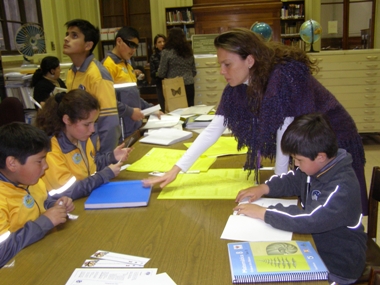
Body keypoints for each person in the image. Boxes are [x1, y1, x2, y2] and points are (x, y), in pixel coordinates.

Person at [144, 28, 368, 215]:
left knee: (335, 211)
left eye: (227, 64)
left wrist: (274, 187)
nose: (222, 71)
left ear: (250, 60)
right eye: (219, 65)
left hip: (334, 139)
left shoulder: (283, 75)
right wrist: (175, 170)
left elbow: (284, 133)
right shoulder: (238, 85)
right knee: (314, 209)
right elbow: (213, 130)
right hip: (306, 144)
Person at [234, 113, 367, 284]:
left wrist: (264, 213)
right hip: (315, 247)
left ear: (320, 156)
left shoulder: (342, 188)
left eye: (299, 160)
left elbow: (311, 219)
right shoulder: (317, 167)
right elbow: (294, 180)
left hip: (337, 265)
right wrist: (264, 188)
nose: (296, 164)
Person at [0, 122, 74, 268]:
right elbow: (2, 253)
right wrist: (44, 222)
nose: (46, 166)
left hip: (41, 254)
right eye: (39, 161)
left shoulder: (29, 181)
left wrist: (54, 204)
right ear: (12, 163)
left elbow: (40, 201)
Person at [36, 89, 131, 199]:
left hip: (87, 197)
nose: (92, 130)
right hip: (65, 205)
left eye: (94, 123)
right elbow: (67, 191)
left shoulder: (81, 137)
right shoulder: (50, 149)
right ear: (67, 119)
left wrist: (111, 157)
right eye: (87, 124)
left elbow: (90, 167)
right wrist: (104, 175)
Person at [63, 19, 120, 154]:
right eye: (67, 34)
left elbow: (110, 122)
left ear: (88, 45)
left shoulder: (98, 74)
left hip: (96, 148)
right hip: (78, 143)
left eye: (74, 36)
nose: (66, 39)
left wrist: (106, 159)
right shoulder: (71, 72)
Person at [102, 26, 162, 138]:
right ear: (119, 41)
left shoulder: (128, 65)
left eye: (136, 46)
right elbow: (106, 101)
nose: (133, 50)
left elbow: (133, 97)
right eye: (131, 45)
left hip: (133, 126)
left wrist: (152, 109)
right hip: (120, 130)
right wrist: (130, 112)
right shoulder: (107, 66)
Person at [157, 28, 196, 107]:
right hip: (189, 85)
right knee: (190, 112)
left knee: (175, 112)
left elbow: (161, 73)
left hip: (174, 87)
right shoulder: (188, 52)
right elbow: (194, 71)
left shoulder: (166, 52)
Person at [150, 34, 166, 111]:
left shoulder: (169, 55)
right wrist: (159, 73)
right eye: (159, 42)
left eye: (163, 41)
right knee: (162, 105)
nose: (162, 44)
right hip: (159, 83)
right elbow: (152, 73)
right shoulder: (153, 57)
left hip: (169, 82)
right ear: (156, 45)